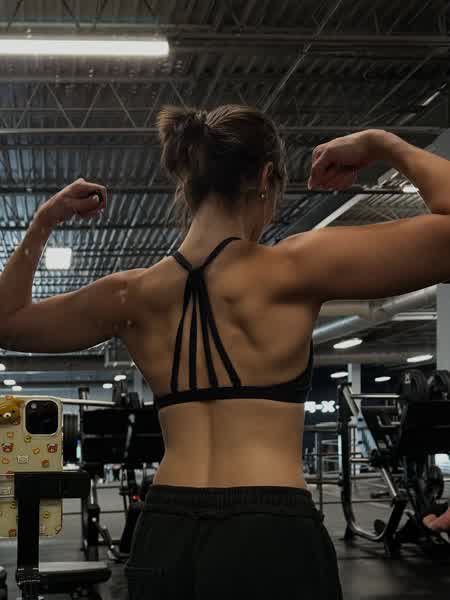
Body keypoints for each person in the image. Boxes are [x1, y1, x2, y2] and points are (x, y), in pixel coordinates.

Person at [2, 105, 450, 598]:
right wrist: (383, 143)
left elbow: (9, 322)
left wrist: (44, 221)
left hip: (165, 531)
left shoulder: (130, 294)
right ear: (264, 179)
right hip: (268, 533)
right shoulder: (294, 266)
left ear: (189, 186)